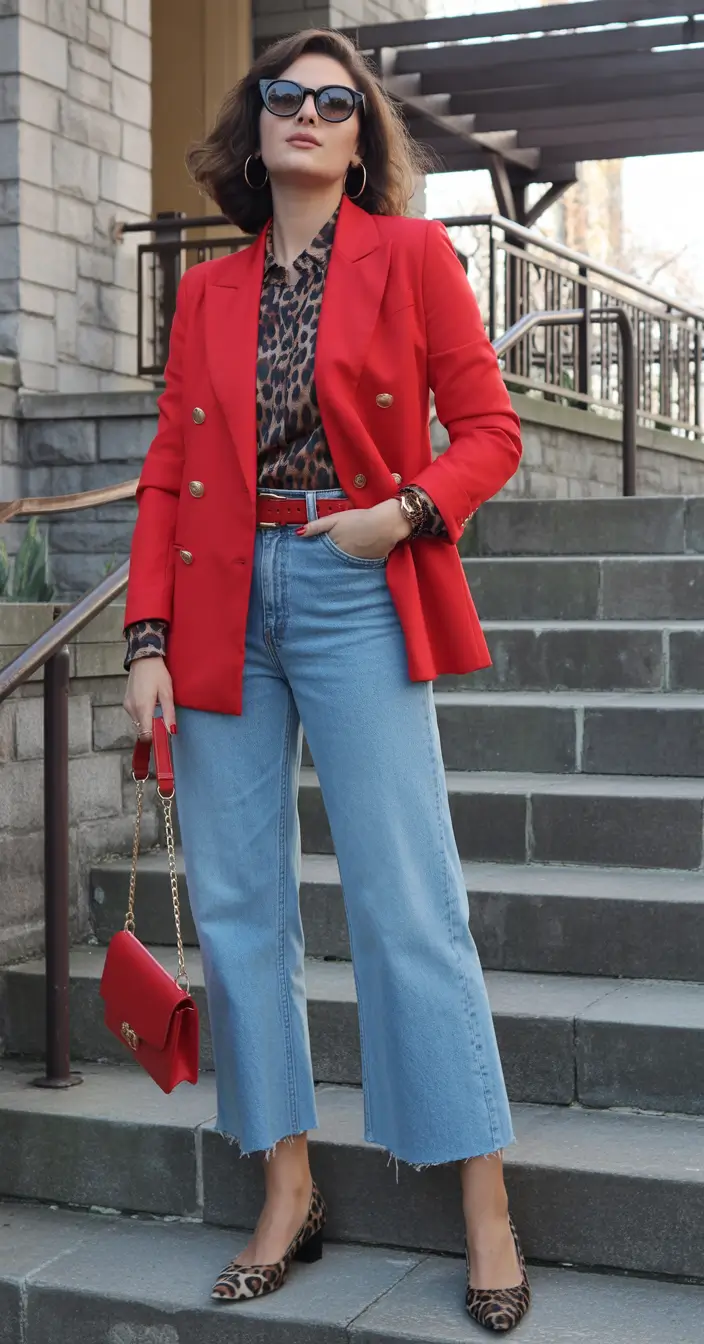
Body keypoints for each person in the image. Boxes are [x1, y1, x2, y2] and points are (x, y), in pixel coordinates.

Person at [122, 26, 529, 1333]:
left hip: (355, 581)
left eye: (333, 102)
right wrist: (143, 643)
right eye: (282, 96)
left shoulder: (411, 259)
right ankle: (286, 1189)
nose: (304, 113)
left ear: (362, 137)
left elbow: (492, 430)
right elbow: (170, 475)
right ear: (256, 126)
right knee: (242, 917)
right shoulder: (208, 292)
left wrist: (404, 511)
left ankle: (485, 1203)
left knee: (410, 901)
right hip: (222, 607)